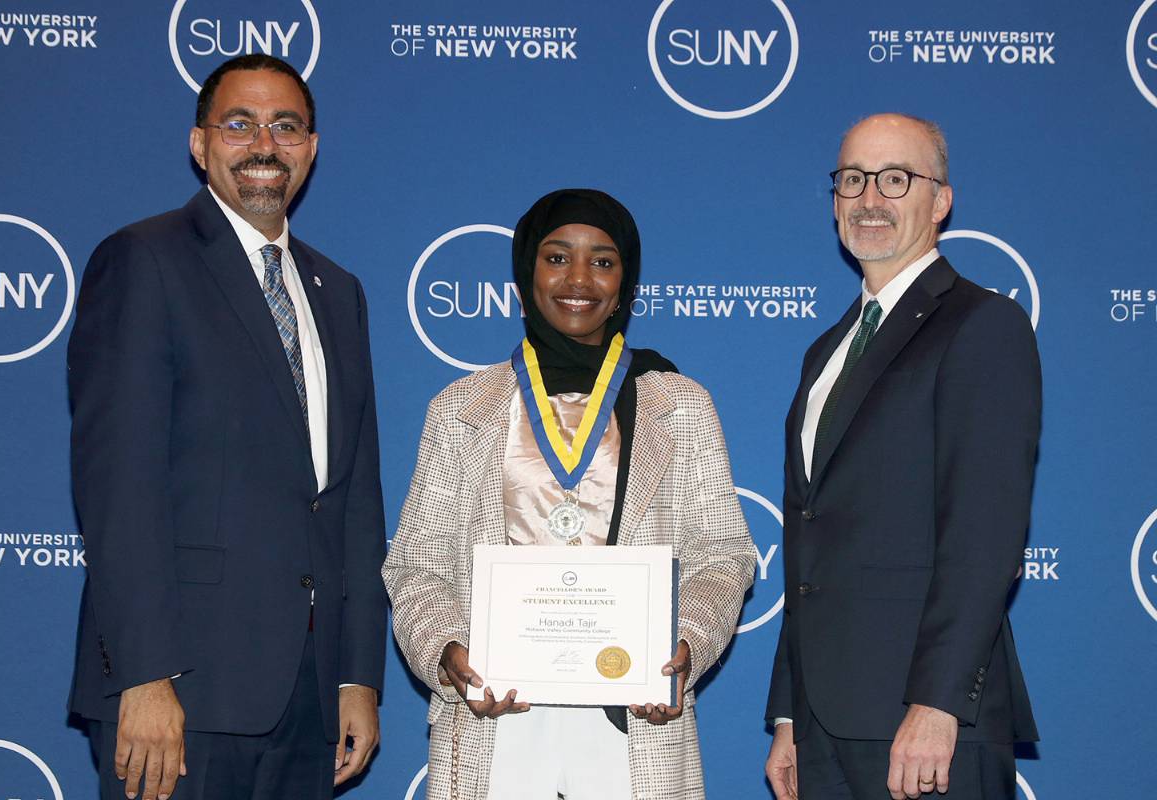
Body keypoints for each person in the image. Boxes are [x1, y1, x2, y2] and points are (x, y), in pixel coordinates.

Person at [67, 54, 386, 800]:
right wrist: (144, 676)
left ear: (310, 147)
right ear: (200, 144)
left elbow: (355, 501)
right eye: (239, 124)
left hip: (307, 698)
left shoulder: (337, 292)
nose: (264, 144)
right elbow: (119, 488)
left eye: (286, 126)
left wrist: (355, 675)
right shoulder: (144, 260)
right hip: (181, 692)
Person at [383, 188, 757, 799]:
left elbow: (722, 553)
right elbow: (416, 561)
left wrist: (681, 644)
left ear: (625, 280)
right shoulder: (459, 409)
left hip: (634, 720)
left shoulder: (679, 404)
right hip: (494, 718)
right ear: (526, 270)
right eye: (557, 258)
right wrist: (450, 648)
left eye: (602, 261)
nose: (578, 279)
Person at [764, 113, 1040, 800]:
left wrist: (939, 704)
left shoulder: (982, 325)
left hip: (924, 725)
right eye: (853, 179)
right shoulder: (825, 351)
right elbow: (809, 545)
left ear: (941, 200)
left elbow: (986, 535)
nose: (870, 198)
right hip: (826, 727)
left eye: (895, 178)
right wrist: (790, 714)